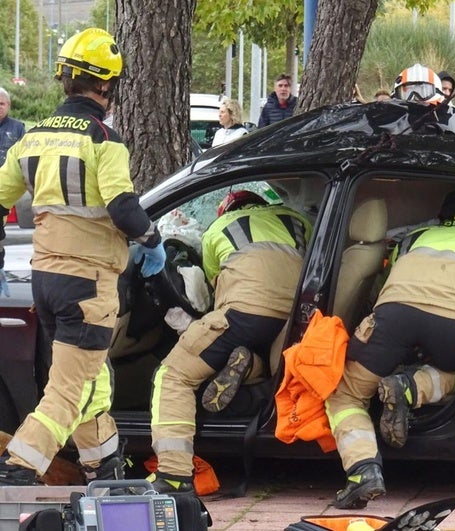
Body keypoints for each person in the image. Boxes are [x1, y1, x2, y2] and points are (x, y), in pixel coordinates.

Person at [0, 28, 165, 486]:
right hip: (88, 284)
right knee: (68, 389)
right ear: (107, 85)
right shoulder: (103, 140)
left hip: (45, 281)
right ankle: (20, 463)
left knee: (91, 377)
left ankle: (105, 462)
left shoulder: (31, 138)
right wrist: (153, 240)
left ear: (64, 78)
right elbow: (122, 207)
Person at [326, 188, 455, 509]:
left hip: (393, 317)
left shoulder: (411, 238)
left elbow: (384, 284)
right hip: (454, 326)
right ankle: (411, 388)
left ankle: (362, 471)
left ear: (442, 216)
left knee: (346, 396)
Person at [148, 190, 312, 494]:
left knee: (174, 375)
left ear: (228, 209)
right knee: (260, 358)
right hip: (295, 320)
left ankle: (173, 472)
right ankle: (248, 365)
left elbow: (210, 291)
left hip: (244, 312)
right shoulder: (299, 220)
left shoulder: (217, 229)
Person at [0, 87, 25, 167]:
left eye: (2, 104)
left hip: (8, 177)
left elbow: (24, 154)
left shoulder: (18, 127)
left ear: (9, 105)